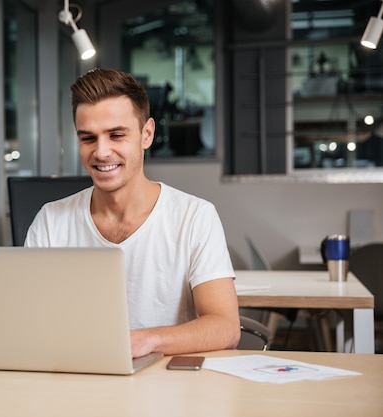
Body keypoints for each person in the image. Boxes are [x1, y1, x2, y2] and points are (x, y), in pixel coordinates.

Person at [24, 68, 240, 357]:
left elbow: (225, 326)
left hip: (168, 388)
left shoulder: (194, 216)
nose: (101, 152)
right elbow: (30, 322)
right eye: (88, 138)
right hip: (75, 384)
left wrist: (145, 341)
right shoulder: (51, 220)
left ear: (146, 134)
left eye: (116, 135)